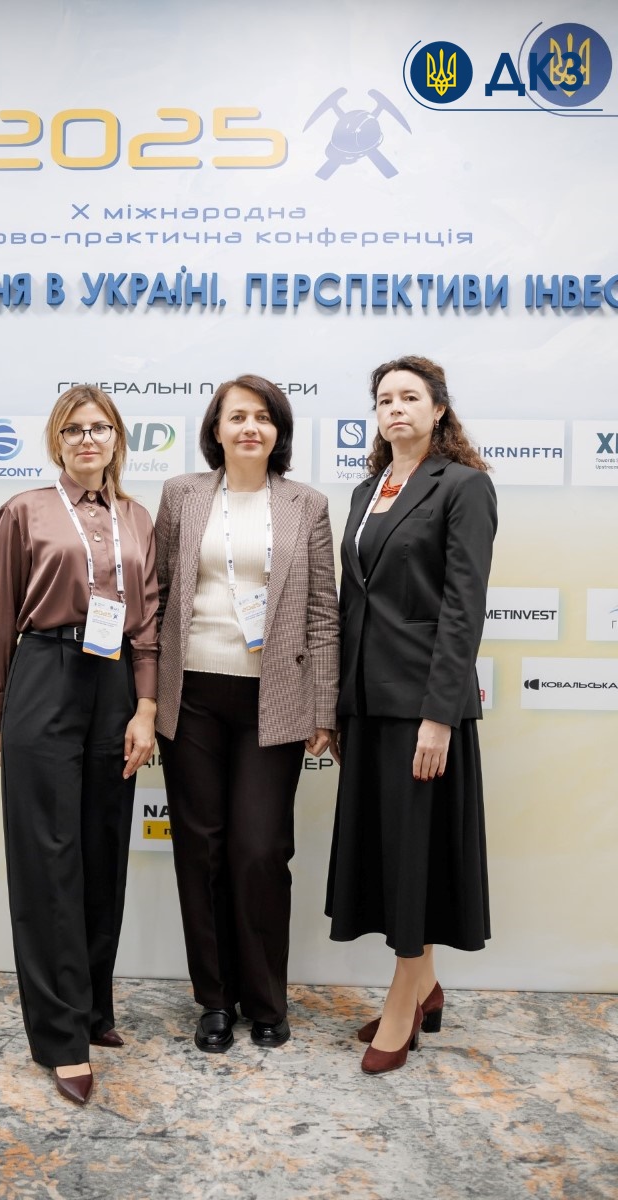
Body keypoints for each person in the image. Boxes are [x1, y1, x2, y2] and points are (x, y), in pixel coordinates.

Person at [0, 385, 158, 1106]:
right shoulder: (25, 511)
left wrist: (146, 707)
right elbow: (0, 612)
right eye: (75, 429)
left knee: (102, 848)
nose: (89, 439)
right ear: (58, 441)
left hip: (114, 680)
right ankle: (60, 1039)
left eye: (100, 428)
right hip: (45, 674)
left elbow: (147, 623)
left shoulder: (136, 517)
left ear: (117, 438)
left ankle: (91, 1009)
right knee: (48, 858)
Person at [155, 374, 340, 1053]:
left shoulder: (306, 504)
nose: (250, 427)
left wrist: (324, 706)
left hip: (275, 698)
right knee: (199, 849)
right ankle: (214, 999)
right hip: (191, 694)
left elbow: (323, 611)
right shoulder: (181, 495)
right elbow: (157, 594)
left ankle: (266, 999)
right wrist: (143, 698)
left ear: (278, 431)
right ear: (217, 428)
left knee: (260, 851)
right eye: (237, 416)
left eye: (263, 416)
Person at [325, 355, 497, 1075]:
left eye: (409, 397)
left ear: (438, 410)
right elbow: (353, 603)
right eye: (384, 399)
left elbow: (463, 608)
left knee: (414, 860)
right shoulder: (366, 490)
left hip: (422, 710)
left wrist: (438, 716)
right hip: (368, 706)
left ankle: (403, 1005)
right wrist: (340, 705)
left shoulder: (463, 486)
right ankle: (426, 987)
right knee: (391, 857)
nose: (395, 408)